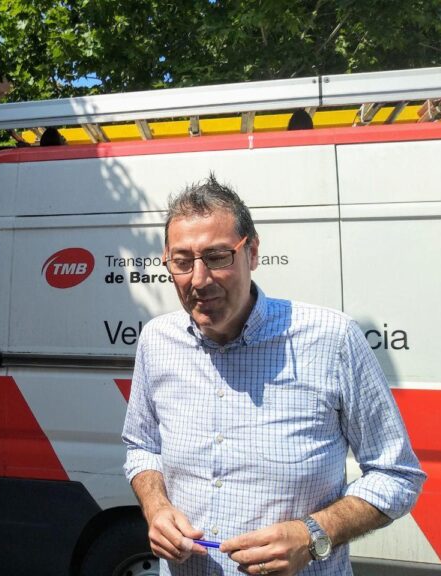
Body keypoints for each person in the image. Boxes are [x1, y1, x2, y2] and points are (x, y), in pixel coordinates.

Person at [122, 175, 425, 576]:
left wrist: (313, 534)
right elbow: (142, 447)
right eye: (182, 261)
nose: (198, 279)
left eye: (217, 257)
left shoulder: (332, 339)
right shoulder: (157, 341)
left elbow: (396, 475)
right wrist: (156, 507)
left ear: (253, 252)